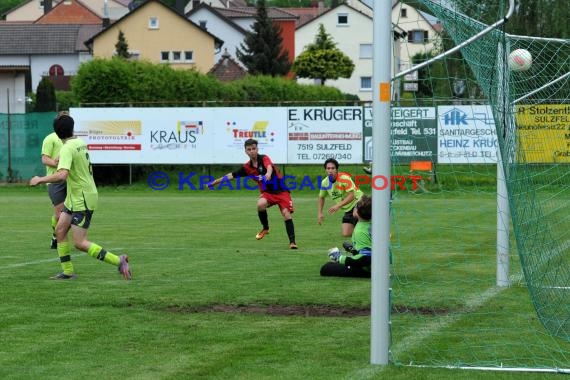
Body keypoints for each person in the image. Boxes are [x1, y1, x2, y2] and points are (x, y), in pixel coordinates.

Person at [30, 113, 132, 280]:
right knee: (60, 230)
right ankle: (68, 272)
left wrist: (40, 179)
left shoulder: (67, 148)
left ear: (56, 132)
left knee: (79, 242)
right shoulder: (79, 143)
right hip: (74, 196)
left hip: (82, 198)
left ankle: (118, 261)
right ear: (72, 129)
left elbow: (62, 175)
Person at [207, 138, 298, 249]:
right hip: (268, 193)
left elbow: (269, 167)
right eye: (249, 149)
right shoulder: (247, 167)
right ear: (246, 151)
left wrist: (268, 174)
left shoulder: (264, 158)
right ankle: (265, 228)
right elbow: (231, 175)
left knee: (286, 214)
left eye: (254, 148)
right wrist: (215, 182)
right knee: (260, 204)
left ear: (257, 149)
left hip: (282, 191)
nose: (252, 151)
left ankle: (292, 242)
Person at [320, 195, 372, 278]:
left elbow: (366, 259)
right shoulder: (373, 225)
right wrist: (354, 251)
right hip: (379, 267)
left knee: (326, 268)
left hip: (367, 270)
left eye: (355, 206)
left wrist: (339, 258)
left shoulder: (360, 231)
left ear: (357, 212)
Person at [41, 112, 67, 249]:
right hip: (55, 181)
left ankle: (59, 237)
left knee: (69, 214)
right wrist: (58, 164)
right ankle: (56, 235)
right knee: (59, 214)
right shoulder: (50, 138)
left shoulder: (71, 140)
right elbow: (45, 159)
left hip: (70, 180)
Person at [317, 158, 363, 237]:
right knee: (346, 234)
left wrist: (338, 205)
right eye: (328, 168)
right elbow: (321, 197)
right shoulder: (325, 182)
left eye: (333, 168)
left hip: (359, 201)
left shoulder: (344, 178)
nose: (330, 170)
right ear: (325, 170)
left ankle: (375, 229)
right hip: (348, 208)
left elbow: (352, 195)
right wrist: (320, 213)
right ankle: (361, 226)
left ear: (336, 169)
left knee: (356, 214)